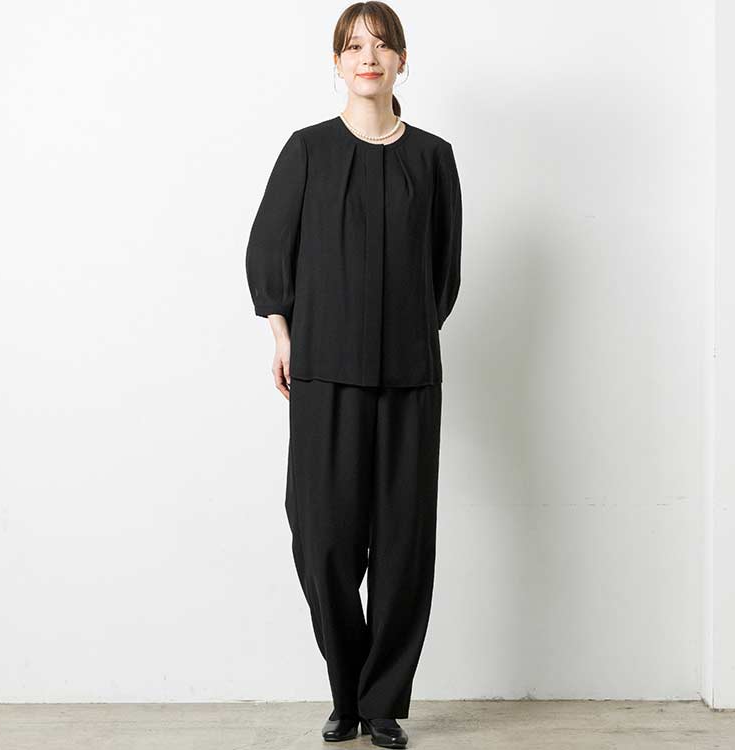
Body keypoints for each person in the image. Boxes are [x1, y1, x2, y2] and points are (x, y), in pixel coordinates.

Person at [245, 3, 462, 747]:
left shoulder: (433, 157)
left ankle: (382, 703)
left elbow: (443, 272)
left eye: (382, 44)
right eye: (354, 45)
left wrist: (405, 336)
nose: (369, 56)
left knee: (404, 547)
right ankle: (348, 689)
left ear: (402, 60)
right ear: (336, 63)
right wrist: (283, 335)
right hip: (323, 374)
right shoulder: (307, 150)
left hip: (409, 377)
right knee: (324, 541)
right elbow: (270, 247)